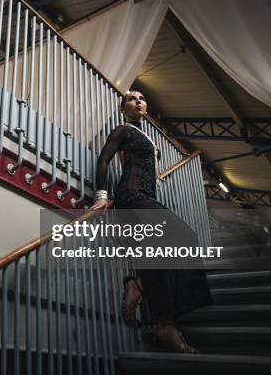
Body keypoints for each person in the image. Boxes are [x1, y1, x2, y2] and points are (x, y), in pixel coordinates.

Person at [90, 90, 212, 353]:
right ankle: (139, 285)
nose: (139, 101)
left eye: (143, 98)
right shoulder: (123, 130)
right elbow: (103, 160)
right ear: (124, 108)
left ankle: (165, 325)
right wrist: (101, 195)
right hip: (131, 195)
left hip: (144, 195)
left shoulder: (145, 136)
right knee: (185, 236)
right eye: (132, 99)